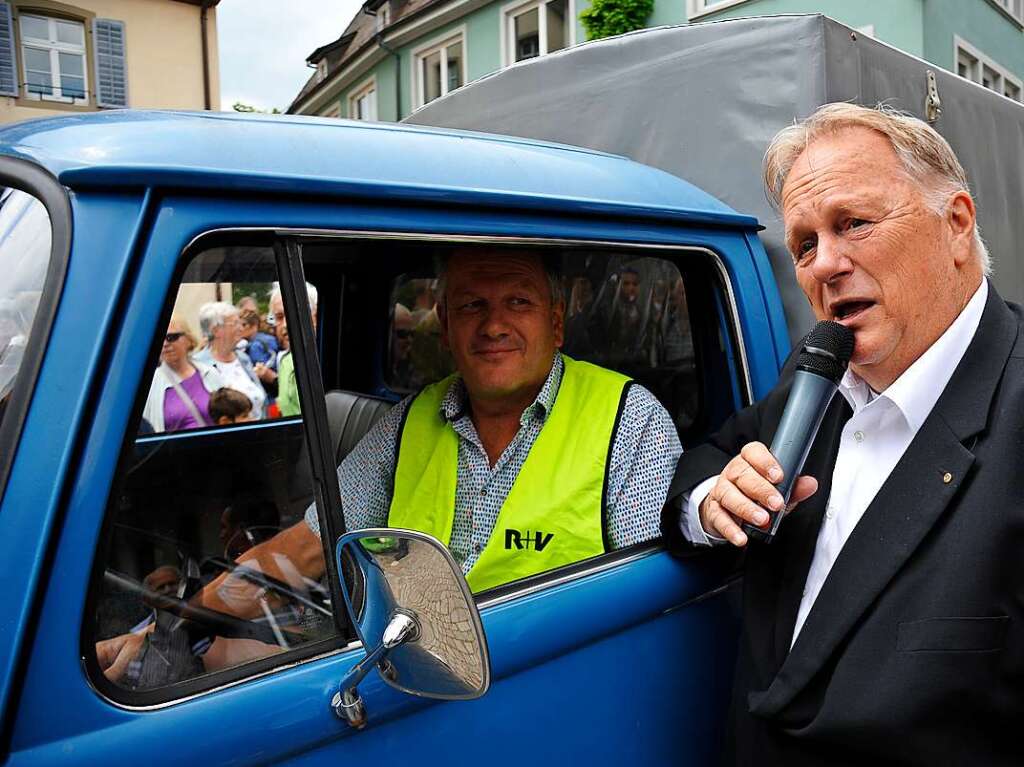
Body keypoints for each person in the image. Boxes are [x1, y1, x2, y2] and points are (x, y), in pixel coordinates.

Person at [662, 103, 1022, 765]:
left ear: (957, 225)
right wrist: (715, 499)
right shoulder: (816, 375)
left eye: (852, 223)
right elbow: (707, 458)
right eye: (804, 244)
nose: (825, 264)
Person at [141, 316, 224, 432]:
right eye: (160, 339)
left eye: (171, 337)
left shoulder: (210, 373)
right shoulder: (150, 383)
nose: (165, 344)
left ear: (189, 340)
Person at [193, 302, 266, 420]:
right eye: (235, 323)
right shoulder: (198, 366)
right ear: (216, 330)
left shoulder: (243, 359)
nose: (241, 328)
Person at [268, 283, 317, 417]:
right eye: (279, 317)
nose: (285, 325)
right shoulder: (283, 360)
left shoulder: (323, 358)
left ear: (315, 317)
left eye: (294, 314)